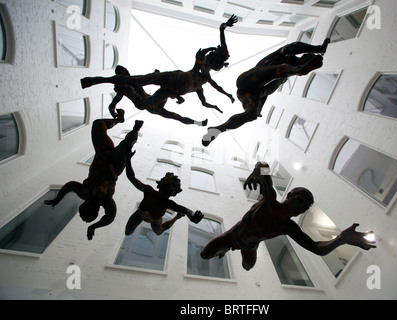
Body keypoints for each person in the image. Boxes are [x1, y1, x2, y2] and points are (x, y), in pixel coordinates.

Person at [200, 162, 376, 271]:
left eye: (304, 207)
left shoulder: (288, 227)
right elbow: (264, 167)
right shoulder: (269, 200)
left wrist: (341, 239)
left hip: (250, 246)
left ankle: (229, 251)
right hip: (232, 237)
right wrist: (256, 170)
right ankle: (224, 250)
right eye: (298, 200)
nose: (299, 207)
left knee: (247, 267)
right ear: (289, 194)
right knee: (205, 255)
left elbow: (316, 247)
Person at [80, 16, 238, 126]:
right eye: (210, 57)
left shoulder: (201, 85)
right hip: (170, 77)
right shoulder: (198, 68)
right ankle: (94, 80)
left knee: (142, 105)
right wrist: (224, 27)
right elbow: (211, 44)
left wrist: (220, 102)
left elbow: (207, 99)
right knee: (137, 80)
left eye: (213, 61)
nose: (210, 60)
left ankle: (127, 89)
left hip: (168, 90)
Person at [202, 38, 330, 146]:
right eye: (305, 59)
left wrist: (260, 108)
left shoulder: (287, 73)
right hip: (246, 82)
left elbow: (266, 93)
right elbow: (293, 46)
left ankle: (218, 129)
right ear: (304, 58)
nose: (304, 59)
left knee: (251, 114)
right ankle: (302, 69)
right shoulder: (284, 56)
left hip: (253, 93)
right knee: (279, 70)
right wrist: (318, 49)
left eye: (306, 61)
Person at [45, 110, 144, 240]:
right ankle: (136, 129)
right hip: (115, 164)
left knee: (98, 124)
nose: (86, 205)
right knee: (126, 145)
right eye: (87, 209)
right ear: (94, 210)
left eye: (84, 207)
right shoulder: (106, 201)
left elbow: (69, 186)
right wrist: (93, 227)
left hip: (102, 153)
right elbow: (110, 217)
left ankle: (118, 120)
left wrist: (57, 199)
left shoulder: (84, 193)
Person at [123, 151, 204, 236]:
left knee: (158, 231)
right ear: (161, 184)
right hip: (142, 213)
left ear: (172, 192)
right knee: (128, 232)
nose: (165, 191)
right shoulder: (149, 191)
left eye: (169, 188)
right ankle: (176, 217)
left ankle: (176, 217)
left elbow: (187, 210)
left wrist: (192, 215)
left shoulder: (168, 203)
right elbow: (132, 178)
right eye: (166, 186)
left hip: (154, 218)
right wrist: (128, 159)